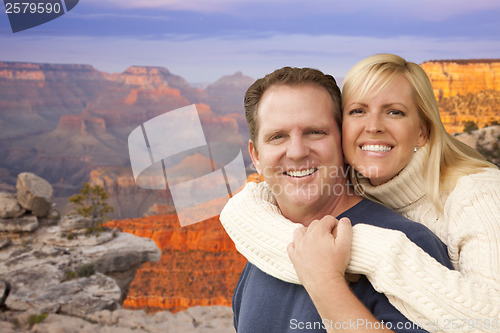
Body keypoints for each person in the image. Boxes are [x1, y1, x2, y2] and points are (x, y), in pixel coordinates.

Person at [220, 54, 500, 332]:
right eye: (277, 136)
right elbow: (245, 208)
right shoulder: (265, 242)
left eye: (315, 132)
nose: (296, 152)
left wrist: (342, 270)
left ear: (340, 142)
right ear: (255, 156)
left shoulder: (433, 228)